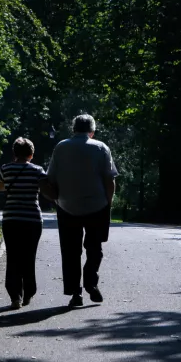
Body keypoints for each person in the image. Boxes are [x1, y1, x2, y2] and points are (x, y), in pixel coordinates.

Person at [45, 114, 118, 307]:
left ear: (73, 129)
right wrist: (109, 202)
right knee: (95, 248)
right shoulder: (101, 148)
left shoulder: (61, 147)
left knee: (70, 251)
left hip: (66, 206)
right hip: (97, 205)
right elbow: (109, 179)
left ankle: (75, 292)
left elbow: (51, 177)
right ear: (92, 131)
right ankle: (91, 283)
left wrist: (57, 198)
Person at [0, 137, 46, 309]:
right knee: (29, 257)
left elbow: (0, 187)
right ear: (31, 154)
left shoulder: (6, 168)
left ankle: (15, 296)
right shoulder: (38, 170)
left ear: (14, 153)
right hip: (32, 219)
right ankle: (29, 293)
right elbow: (45, 189)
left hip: (11, 218)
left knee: (13, 257)